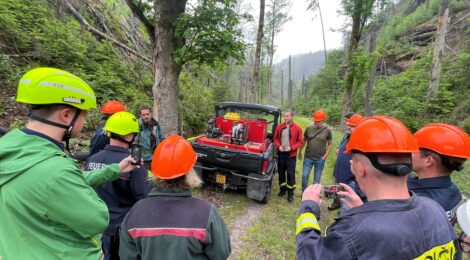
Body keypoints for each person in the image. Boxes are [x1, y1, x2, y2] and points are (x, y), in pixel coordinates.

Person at [0, 67, 138, 259]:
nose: (84, 120)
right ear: (66, 115)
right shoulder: (57, 171)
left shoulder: (15, 152)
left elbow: (66, 181)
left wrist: (115, 169)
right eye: (83, 114)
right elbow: (97, 219)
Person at [296, 116, 460, 259]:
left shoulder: (355, 232)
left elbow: (310, 254)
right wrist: (365, 211)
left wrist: (308, 208)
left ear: (359, 168)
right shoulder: (435, 210)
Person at [119, 135, 231, 259]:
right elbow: (221, 253)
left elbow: (126, 256)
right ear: (190, 171)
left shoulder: (135, 212)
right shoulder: (206, 212)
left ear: (155, 173)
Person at [84, 111, 151, 260]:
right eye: (134, 134)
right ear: (128, 136)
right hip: (123, 231)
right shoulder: (132, 164)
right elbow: (145, 198)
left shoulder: (92, 160)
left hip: (97, 227)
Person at [409, 123, 470, 224]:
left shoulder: (417, 203)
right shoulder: (453, 191)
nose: (407, 152)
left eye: (412, 149)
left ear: (428, 161)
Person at [328, 114, 365, 211]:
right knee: (341, 200)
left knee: (347, 208)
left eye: (352, 126)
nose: (348, 127)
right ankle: (337, 205)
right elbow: (341, 156)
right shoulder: (348, 137)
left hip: (351, 181)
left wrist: (354, 179)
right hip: (340, 177)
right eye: (349, 125)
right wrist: (336, 174)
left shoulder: (362, 141)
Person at [273, 109, 304, 202]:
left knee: (290, 174)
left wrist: (292, 147)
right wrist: (279, 146)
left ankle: (290, 193)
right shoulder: (279, 127)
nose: (285, 118)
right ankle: (282, 190)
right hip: (281, 153)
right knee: (281, 172)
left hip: (291, 155)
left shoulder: (298, 128)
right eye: (285, 116)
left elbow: (300, 142)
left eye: (287, 116)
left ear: (292, 117)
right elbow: (275, 138)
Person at [298, 109, 333, 190]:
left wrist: (325, 156)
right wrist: (300, 152)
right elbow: (304, 140)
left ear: (322, 121)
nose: (315, 122)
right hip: (308, 157)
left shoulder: (327, 131)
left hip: (320, 159)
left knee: (316, 180)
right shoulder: (309, 128)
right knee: (304, 176)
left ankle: (314, 195)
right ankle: (304, 192)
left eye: (317, 121)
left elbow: (330, 144)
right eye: (315, 120)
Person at [136, 105, 165, 170]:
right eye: (143, 115)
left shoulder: (156, 125)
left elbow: (162, 138)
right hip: (144, 159)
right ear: (141, 115)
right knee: (146, 178)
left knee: (156, 177)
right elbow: (135, 143)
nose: (146, 116)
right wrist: (136, 159)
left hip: (156, 157)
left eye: (147, 114)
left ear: (151, 114)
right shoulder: (138, 126)